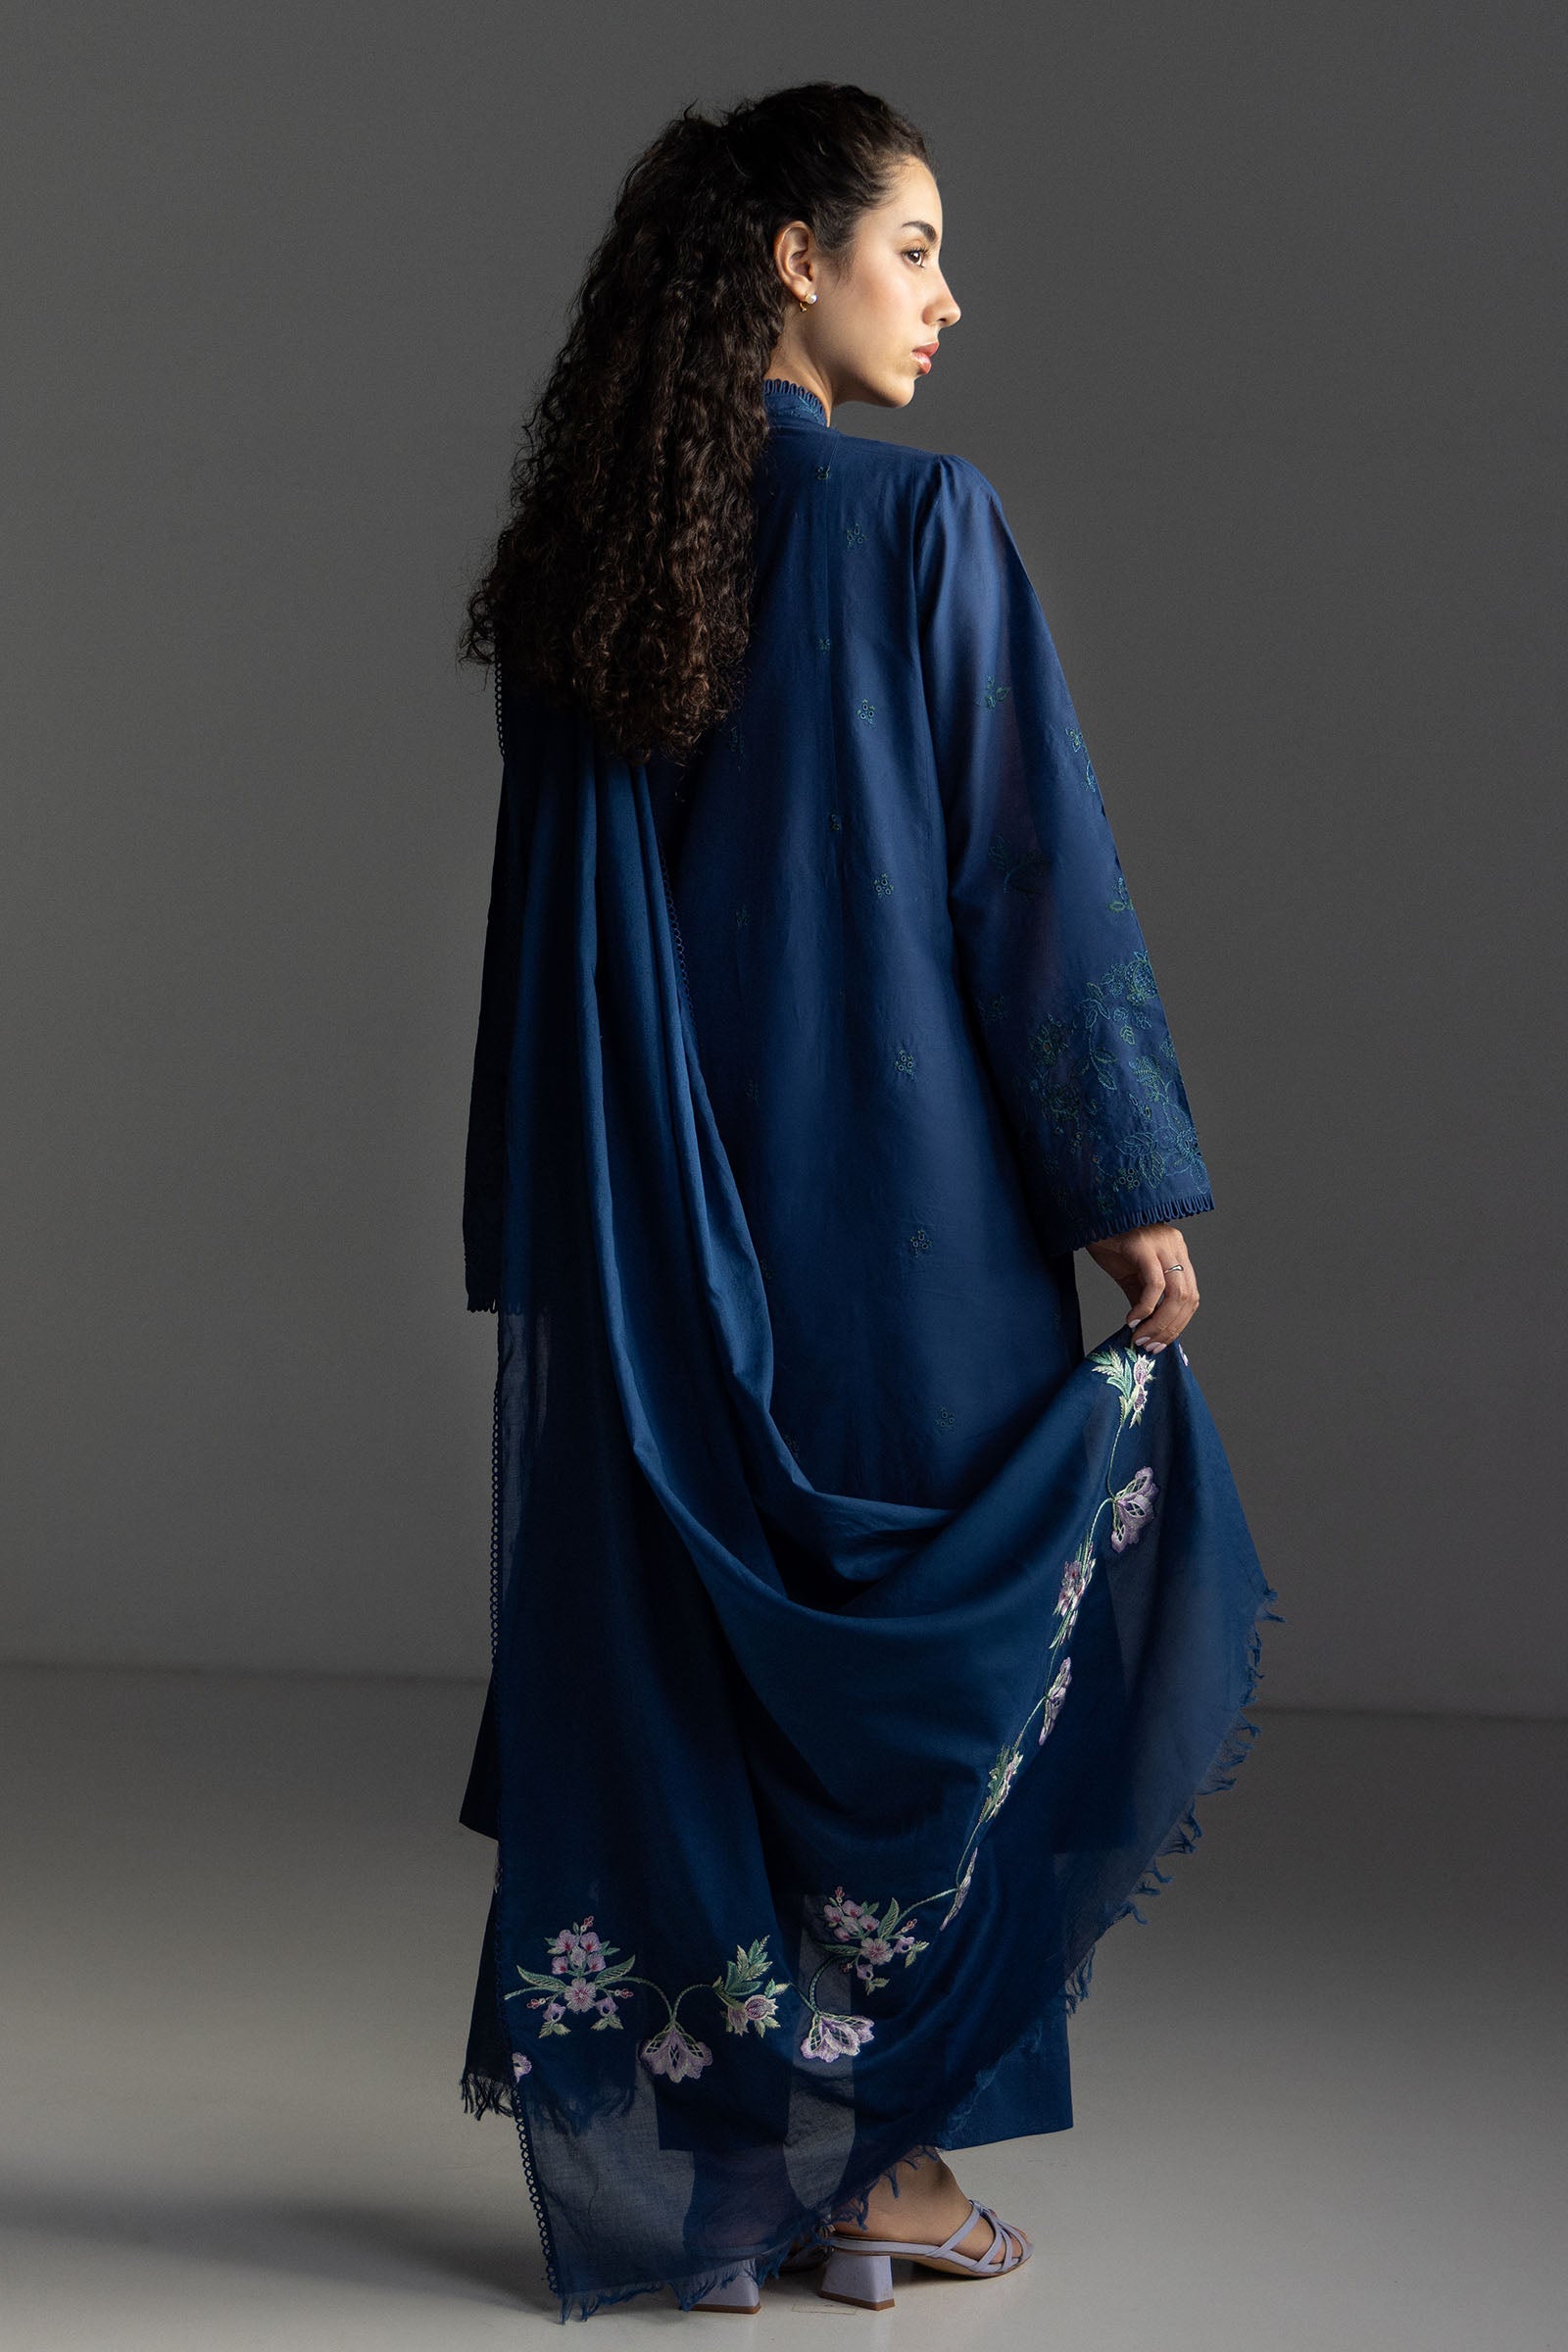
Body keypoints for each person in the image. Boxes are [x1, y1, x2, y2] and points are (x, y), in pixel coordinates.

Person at [453, 81, 1279, 2323]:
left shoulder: (592, 563)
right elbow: (1026, 879)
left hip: (659, 1219)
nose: (943, 297)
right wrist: (1125, 1186)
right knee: (920, 1680)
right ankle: (884, 2173)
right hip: (891, 1210)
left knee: (707, 1674)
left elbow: (544, 952)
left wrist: (547, 1234)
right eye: (911, 247)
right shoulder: (919, 524)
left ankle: (732, 2193)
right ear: (793, 261)